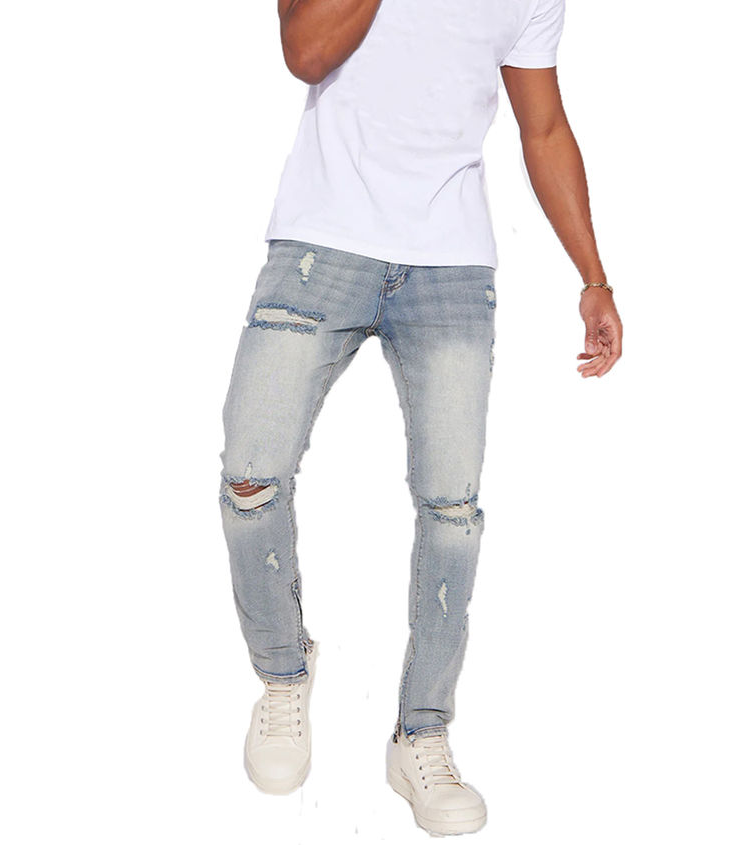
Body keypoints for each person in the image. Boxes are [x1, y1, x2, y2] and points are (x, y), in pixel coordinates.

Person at [217, 0, 622, 835]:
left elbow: (543, 128)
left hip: (450, 264)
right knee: (251, 474)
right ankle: (284, 673)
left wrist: (593, 276)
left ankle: (420, 733)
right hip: (320, 245)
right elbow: (305, 50)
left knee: (451, 511)